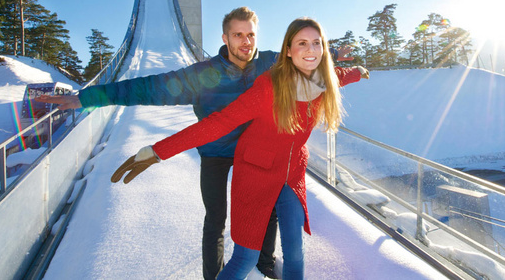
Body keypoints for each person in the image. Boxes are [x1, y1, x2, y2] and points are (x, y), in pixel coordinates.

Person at [36, 7, 352, 279]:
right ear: (225, 38)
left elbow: (310, 63)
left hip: (257, 155)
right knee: (216, 217)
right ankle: (214, 274)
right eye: (238, 35)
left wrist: (343, 62)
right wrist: (89, 98)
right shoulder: (204, 75)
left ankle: (265, 266)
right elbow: (149, 88)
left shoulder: (270, 63)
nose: (246, 42)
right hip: (216, 149)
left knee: (268, 211)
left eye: (251, 35)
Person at [111, 17, 369, 279]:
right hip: (255, 174)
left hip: (291, 174)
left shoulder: (324, 81)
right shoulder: (270, 86)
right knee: (245, 258)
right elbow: (220, 122)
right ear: (288, 51)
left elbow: (338, 76)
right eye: (302, 43)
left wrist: (357, 71)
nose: (311, 50)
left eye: (317, 43)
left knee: (295, 252)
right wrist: (158, 151)